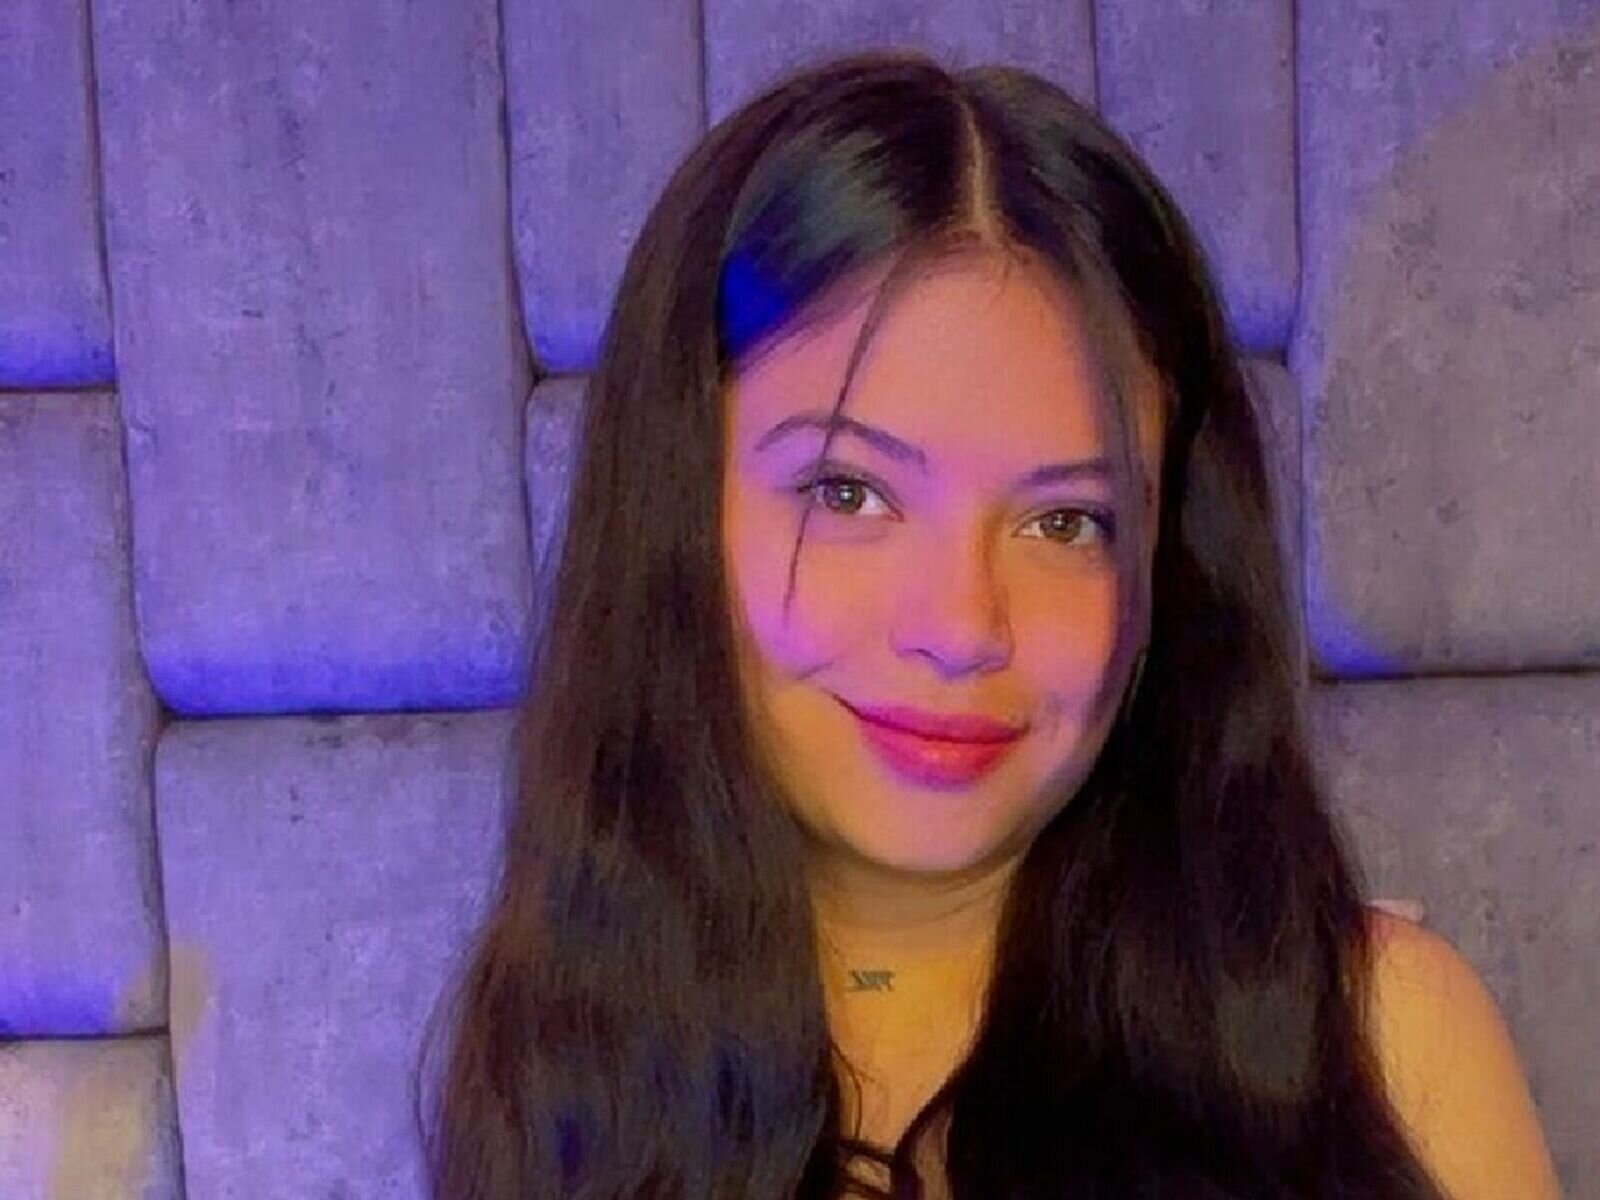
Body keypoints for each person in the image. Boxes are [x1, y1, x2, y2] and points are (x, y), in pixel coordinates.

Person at [414, 48, 1563, 1200]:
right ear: (673, 508)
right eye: (848, 494)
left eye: (1065, 522)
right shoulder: (563, 1083)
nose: (962, 627)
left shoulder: (1383, 1049)